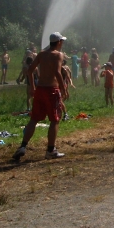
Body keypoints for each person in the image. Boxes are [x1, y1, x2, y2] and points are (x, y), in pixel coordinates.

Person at [13, 32, 68, 161]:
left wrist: (33, 87)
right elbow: (57, 72)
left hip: (40, 89)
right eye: (62, 41)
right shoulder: (58, 55)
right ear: (59, 42)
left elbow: (30, 70)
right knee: (55, 120)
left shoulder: (42, 54)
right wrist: (63, 88)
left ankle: (22, 146)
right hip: (51, 90)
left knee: (34, 119)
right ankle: (50, 150)